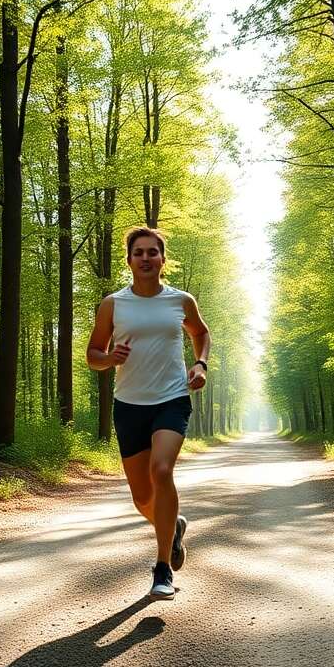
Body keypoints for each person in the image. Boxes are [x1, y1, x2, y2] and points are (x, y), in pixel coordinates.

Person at [85, 226, 211, 599]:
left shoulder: (180, 301)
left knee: (162, 471)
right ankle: (172, 528)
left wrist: (200, 364)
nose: (145, 258)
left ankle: (161, 569)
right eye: (138, 252)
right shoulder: (113, 304)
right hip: (129, 406)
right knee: (142, 498)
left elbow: (200, 333)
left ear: (162, 259)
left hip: (171, 399)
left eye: (152, 252)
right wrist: (109, 359)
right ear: (129, 260)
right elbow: (93, 354)